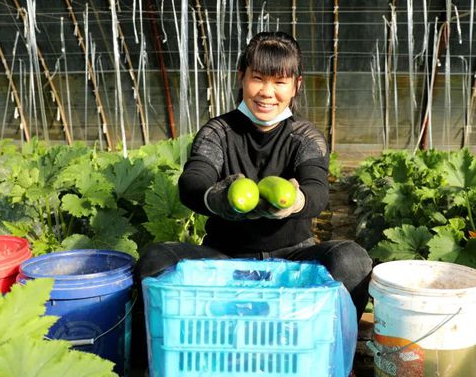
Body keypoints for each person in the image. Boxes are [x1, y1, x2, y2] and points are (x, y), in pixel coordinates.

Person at [133, 31, 373, 368]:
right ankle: (148, 365)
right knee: (156, 261)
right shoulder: (218, 132)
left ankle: (336, 361)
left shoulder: (305, 137)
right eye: (258, 78)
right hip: (225, 258)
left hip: (296, 258)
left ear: (296, 86)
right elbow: (193, 181)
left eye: (280, 82)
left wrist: (297, 202)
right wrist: (215, 198)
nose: (267, 92)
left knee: (352, 261)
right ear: (241, 77)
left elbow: (317, 190)